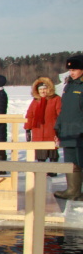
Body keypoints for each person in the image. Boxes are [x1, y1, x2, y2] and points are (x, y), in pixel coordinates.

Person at [54, 55, 83, 200]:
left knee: (80, 161)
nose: (72, 72)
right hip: (68, 131)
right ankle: (73, 190)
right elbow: (64, 110)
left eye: (75, 69)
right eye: (70, 69)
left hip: (80, 131)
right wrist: (57, 127)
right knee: (70, 161)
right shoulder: (69, 85)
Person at [24, 77, 61, 176]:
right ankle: (41, 170)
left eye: (44, 88)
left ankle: (53, 170)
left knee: (52, 152)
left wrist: (59, 127)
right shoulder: (35, 101)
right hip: (38, 131)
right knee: (40, 153)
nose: (43, 91)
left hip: (52, 130)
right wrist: (27, 128)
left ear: (49, 89)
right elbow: (30, 115)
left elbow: (60, 114)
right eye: (40, 89)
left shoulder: (56, 99)